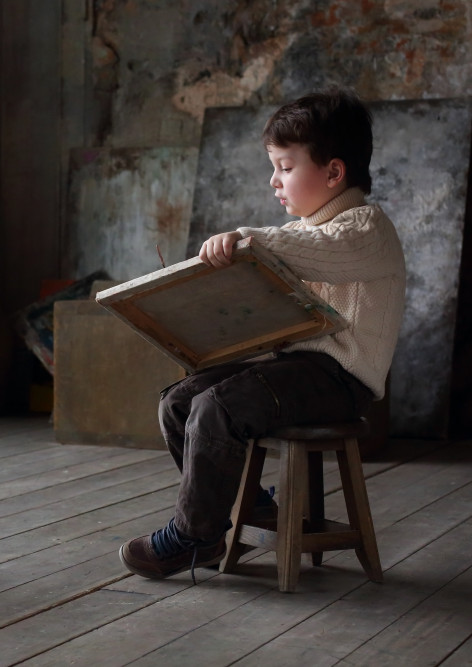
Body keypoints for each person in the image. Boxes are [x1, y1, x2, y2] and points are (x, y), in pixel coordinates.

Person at [118, 87, 407, 582]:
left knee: (219, 407)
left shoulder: (366, 227)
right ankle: (248, 513)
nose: (274, 180)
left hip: (342, 379)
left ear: (334, 173)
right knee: (179, 402)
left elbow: (317, 248)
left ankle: (193, 536)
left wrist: (244, 240)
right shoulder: (299, 235)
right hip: (296, 369)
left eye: (285, 167)